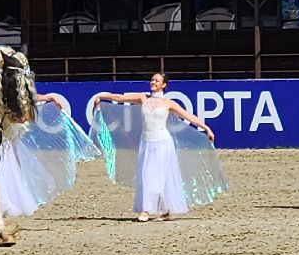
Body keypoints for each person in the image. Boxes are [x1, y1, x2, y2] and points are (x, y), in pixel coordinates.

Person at [91, 72, 225, 222]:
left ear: (164, 85)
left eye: (157, 80)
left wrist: (206, 128)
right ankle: (151, 208)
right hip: (147, 142)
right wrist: (101, 95)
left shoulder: (168, 103)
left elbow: (188, 116)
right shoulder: (143, 98)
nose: (153, 82)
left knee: (162, 175)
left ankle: (152, 210)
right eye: (152, 79)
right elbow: (119, 98)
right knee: (147, 173)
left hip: (162, 142)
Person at [0, 92, 100, 217]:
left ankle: (1, 207)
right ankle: (2, 206)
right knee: (3, 175)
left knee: (1, 175)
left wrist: (47, 98)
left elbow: (21, 104)